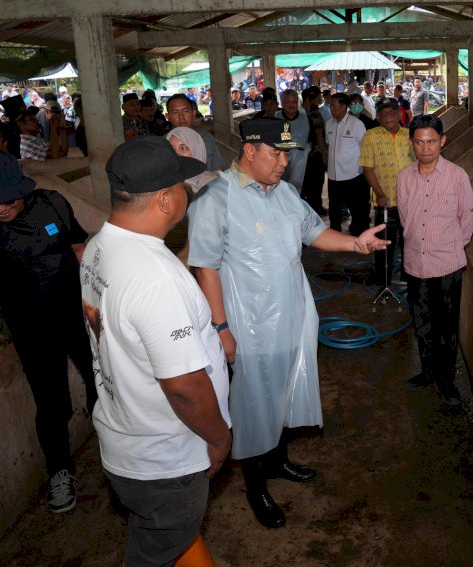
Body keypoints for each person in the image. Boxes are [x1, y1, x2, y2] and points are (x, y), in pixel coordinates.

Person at [187, 118, 389, 529]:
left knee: (282, 390)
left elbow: (314, 233)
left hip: (291, 314)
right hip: (248, 324)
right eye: (276, 154)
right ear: (249, 151)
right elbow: (205, 268)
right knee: (252, 403)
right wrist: (222, 328)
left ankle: (277, 460)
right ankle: (255, 484)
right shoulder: (216, 198)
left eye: (287, 154)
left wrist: (355, 242)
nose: (284, 162)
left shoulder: (284, 193)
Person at [80, 136, 231, 566]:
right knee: (154, 552)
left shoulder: (97, 247)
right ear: (165, 200)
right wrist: (219, 438)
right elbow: (183, 386)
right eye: (182, 186)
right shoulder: (157, 276)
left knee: (163, 539)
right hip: (167, 459)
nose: (187, 194)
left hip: (125, 442)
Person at [0, 152, 97, 513]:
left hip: (75, 316)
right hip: (31, 331)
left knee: (99, 381)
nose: (1, 207)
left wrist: (95, 300)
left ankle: (115, 447)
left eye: (7, 199)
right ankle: (59, 471)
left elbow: (78, 246)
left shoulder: (52, 204)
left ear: (23, 191)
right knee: (51, 402)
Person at [397, 115, 473, 406]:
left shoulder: (457, 176)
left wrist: (451, 246)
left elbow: (467, 217)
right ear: (411, 144)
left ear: (443, 141)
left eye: (431, 141)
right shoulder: (404, 177)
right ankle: (428, 371)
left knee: (446, 327)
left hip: (447, 265)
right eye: (419, 142)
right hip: (416, 263)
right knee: (422, 321)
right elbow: (405, 218)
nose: (425, 147)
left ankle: (447, 380)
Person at [360, 98, 415, 287]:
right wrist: (379, 192)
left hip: (411, 202)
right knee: (384, 244)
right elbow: (367, 168)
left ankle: (410, 278)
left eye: (392, 111)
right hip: (386, 201)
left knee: (411, 242)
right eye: (383, 113)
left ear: (400, 114)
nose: (388, 116)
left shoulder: (410, 136)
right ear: (378, 117)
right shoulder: (371, 136)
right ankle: (383, 281)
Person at [325, 92, 370, 235]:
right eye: (330, 106)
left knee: (357, 211)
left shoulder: (356, 124)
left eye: (334, 106)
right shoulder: (329, 124)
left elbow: (366, 148)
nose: (331, 109)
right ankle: (335, 236)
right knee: (334, 210)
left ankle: (359, 238)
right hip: (333, 177)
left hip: (353, 176)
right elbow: (329, 145)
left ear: (344, 107)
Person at [165, 94, 225, 171]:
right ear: (168, 116)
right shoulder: (163, 142)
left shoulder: (205, 138)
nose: (181, 117)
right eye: (175, 112)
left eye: (186, 111)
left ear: (193, 113)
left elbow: (218, 169)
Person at [275, 89, 310, 194]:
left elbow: (311, 140)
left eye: (294, 102)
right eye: (288, 102)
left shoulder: (305, 118)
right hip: (280, 160)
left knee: (295, 190)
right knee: (279, 189)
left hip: (300, 162)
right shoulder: (276, 118)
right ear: (282, 103)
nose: (291, 105)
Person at [166, 126, 219, 193]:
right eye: (171, 149)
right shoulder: (163, 186)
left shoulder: (215, 183)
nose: (176, 154)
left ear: (197, 151)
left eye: (184, 148)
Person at [300, 86, 328, 216]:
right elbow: (319, 135)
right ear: (314, 97)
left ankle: (308, 208)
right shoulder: (315, 113)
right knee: (317, 182)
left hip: (302, 155)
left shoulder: (300, 111)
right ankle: (316, 208)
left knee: (306, 183)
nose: (321, 98)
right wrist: (324, 155)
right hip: (315, 154)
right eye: (319, 96)